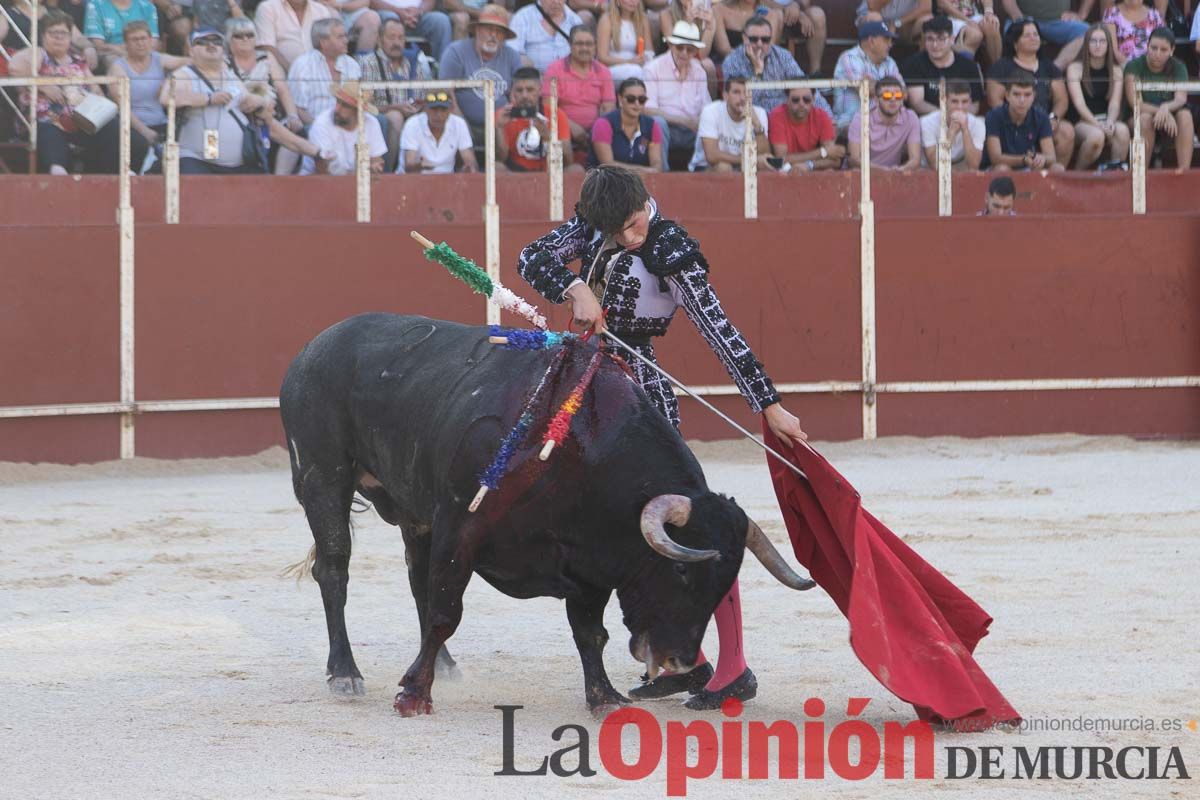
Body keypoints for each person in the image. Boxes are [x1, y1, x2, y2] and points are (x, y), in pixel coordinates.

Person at [516, 164, 808, 710]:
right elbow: (530, 258)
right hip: (587, 381)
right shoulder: (595, 222)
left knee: (687, 522)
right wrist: (577, 287)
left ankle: (734, 665)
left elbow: (721, 331)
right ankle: (681, 660)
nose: (632, 236)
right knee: (618, 527)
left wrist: (768, 405)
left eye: (634, 223)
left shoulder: (671, 249)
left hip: (642, 393)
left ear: (646, 200)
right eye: (619, 231)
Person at [10, 9, 134, 174]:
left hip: (79, 122)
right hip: (44, 121)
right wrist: (44, 85)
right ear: (43, 36)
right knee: (49, 129)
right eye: (53, 33)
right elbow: (14, 67)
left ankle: (118, 172)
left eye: (64, 33)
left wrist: (97, 104)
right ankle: (58, 171)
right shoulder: (38, 54)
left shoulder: (78, 61)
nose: (59, 37)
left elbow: (96, 89)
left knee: (113, 126)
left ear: (70, 37)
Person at [159, 26, 271, 173]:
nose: (211, 45)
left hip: (240, 164)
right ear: (191, 51)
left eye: (216, 41)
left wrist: (258, 102)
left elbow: (254, 104)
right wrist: (208, 98)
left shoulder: (230, 75)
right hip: (197, 161)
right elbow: (166, 97)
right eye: (202, 41)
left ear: (223, 49)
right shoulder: (184, 74)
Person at [986, 18, 1075, 169]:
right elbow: (995, 100)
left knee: (1067, 131)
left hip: (1043, 121)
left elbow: (1061, 100)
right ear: (1015, 43)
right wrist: (1020, 118)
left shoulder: (1049, 66)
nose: (1033, 38)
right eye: (1027, 35)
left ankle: (1053, 178)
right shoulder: (1001, 66)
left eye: (1036, 34)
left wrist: (1053, 118)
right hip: (1011, 122)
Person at [439, 4, 525, 146]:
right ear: (478, 30)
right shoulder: (455, 52)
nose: (493, 35)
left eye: (499, 31)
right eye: (489, 29)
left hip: (502, 123)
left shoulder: (512, 56)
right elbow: (446, 93)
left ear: (504, 37)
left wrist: (504, 119)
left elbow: (518, 93)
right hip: (462, 122)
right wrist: (462, 125)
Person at [357, 16, 433, 169]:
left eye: (401, 38)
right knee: (395, 117)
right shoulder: (369, 63)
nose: (397, 43)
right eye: (391, 37)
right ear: (379, 40)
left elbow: (420, 96)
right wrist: (395, 107)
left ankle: (422, 169)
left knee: (432, 113)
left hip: (410, 114)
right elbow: (364, 105)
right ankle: (387, 171)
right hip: (378, 117)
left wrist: (417, 106)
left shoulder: (412, 63)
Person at [106, 20, 189, 160]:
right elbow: (123, 108)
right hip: (131, 127)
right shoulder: (118, 68)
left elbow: (188, 62)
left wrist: (170, 80)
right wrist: (145, 132)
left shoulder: (158, 59)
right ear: (126, 44)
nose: (140, 43)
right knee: (140, 145)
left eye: (144, 38)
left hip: (161, 123)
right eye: (134, 39)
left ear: (151, 41)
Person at [722, 15, 832, 118]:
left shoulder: (782, 56)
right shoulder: (732, 61)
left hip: (785, 117)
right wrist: (757, 72)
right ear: (745, 38)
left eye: (765, 40)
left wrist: (829, 117)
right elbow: (741, 103)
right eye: (754, 39)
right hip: (752, 118)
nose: (760, 44)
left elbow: (803, 85)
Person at [542, 24, 615, 160]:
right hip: (562, 130)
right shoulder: (554, 70)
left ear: (595, 46)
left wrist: (596, 130)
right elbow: (548, 108)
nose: (584, 48)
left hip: (594, 132)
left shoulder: (603, 71)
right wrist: (570, 126)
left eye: (589, 44)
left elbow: (608, 109)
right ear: (570, 45)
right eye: (579, 44)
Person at [1124, 26, 1191, 172]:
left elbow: (1180, 99)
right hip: (1137, 116)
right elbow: (1135, 104)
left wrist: (1165, 108)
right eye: (1153, 48)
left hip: (1170, 116)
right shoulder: (1133, 66)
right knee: (1145, 119)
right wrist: (1161, 112)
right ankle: (1141, 173)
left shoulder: (1179, 67)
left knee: (1185, 115)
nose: (1157, 54)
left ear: (1172, 51)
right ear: (1147, 46)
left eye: (1164, 50)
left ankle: (1184, 171)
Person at [643, 20, 709, 166]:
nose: (684, 53)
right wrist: (684, 121)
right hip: (667, 127)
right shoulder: (653, 68)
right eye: (680, 48)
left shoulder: (699, 71)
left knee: (711, 124)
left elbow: (707, 108)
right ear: (671, 46)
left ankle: (703, 173)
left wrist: (699, 122)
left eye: (690, 49)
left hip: (692, 129)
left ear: (695, 51)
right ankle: (662, 175)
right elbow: (648, 109)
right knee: (657, 123)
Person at [1066, 23, 1129, 168]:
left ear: (1109, 45)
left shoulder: (1116, 70)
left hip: (1106, 119)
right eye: (1093, 41)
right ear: (1086, 44)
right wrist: (1098, 125)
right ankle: (1078, 175)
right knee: (1096, 136)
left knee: (1123, 131)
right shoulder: (1075, 68)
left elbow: (1114, 103)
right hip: (1082, 121)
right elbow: (1079, 104)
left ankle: (1115, 175)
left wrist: (1110, 122)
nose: (1098, 45)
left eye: (1102, 41)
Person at [497, 65, 577, 170]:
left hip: (549, 172)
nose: (524, 95)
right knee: (497, 167)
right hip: (515, 173)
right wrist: (499, 128)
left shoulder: (556, 114)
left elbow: (568, 161)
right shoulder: (503, 115)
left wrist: (548, 137)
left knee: (575, 169)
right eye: (519, 90)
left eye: (530, 90)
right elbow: (500, 159)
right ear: (513, 92)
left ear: (540, 91)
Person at [900, 15, 984, 116]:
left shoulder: (968, 66)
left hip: (961, 119)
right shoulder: (913, 64)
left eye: (941, 39)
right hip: (927, 120)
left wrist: (957, 117)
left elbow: (974, 105)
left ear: (952, 39)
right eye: (930, 39)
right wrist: (944, 115)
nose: (935, 45)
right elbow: (917, 103)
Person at [689, 75, 774, 172]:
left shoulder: (759, 113)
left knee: (764, 166)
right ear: (725, 96)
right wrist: (747, 160)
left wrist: (757, 125)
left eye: (747, 92)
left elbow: (764, 155)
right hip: (705, 167)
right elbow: (712, 156)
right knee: (724, 168)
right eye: (736, 92)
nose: (742, 98)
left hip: (742, 167)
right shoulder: (711, 111)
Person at [983, 69, 1063, 171]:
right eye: (1016, 94)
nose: (1022, 100)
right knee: (1002, 169)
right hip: (999, 168)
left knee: (1058, 168)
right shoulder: (994, 116)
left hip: (1029, 166)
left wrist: (1042, 159)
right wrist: (1023, 159)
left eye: (1027, 95)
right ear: (1007, 95)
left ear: (1034, 96)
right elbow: (995, 158)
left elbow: (1051, 157)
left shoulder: (1041, 116)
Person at [288, 18, 361, 127]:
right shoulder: (303, 65)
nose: (346, 40)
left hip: (349, 125)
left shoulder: (352, 64)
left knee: (380, 120)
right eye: (340, 37)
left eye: (345, 36)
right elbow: (299, 109)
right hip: (315, 126)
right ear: (324, 42)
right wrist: (322, 129)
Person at [301, 81, 387, 173]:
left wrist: (375, 167)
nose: (337, 109)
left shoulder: (371, 123)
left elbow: (376, 161)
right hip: (316, 182)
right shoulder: (322, 124)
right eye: (338, 102)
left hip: (357, 181)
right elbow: (324, 171)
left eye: (345, 106)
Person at [832, 20, 901, 134]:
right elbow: (865, 90)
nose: (890, 44)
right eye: (886, 39)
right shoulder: (850, 57)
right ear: (871, 41)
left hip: (884, 121)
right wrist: (889, 89)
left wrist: (874, 84)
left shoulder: (890, 62)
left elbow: (903, 92)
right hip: (851, 122)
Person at [590, 76, 665, 171]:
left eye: (641, 99)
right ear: (620, 99)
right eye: (631, 99)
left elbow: (656, 164)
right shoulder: (603, 124)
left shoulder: (652, 125)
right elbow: (607, 164)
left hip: (640, 182)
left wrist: (652, 170)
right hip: (606, 181)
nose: (637, 104)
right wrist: (640, 170)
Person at [848, 75, 921, 170]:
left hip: (894, 174)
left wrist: (901, 169)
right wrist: (883, 171)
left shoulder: (910, 117)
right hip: (864, 174)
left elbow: (915, 159)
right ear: (876, 100)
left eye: (898, 95)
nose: (893, 99)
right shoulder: (861, 119)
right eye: (887, 95)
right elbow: (854, 160)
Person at [768, 85, 844, 172]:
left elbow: (835, 160)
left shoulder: (821, 116)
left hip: (811, 169)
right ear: (787, 100)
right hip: (785, 172)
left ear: (814, 99)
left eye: (806, 99)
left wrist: (809, 165)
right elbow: (780, 160)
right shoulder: (778, 115)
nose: (801, 104)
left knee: (829, 171)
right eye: (795, 100)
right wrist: (822, 152)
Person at [399, 89, 478, 172]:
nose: (438, 115)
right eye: (434, 109)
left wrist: (469, 168)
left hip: (447, 180)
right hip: (414, 180)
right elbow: (409, 166)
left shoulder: (459, 124)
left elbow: (470, 160)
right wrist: (420, 166)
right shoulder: (413, 124)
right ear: (425, 108)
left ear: (451, 109)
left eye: (443, 109)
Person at [999, 0, 1088, 69]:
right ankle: (1022, 76)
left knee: (1087, 32)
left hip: (1059, 22)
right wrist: (1020, 20)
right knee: (1012, 33)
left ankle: (1052, 72)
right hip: (1024, 17)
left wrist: (1082, 14)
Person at [919, 79, 984, 170]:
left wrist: (965, 130)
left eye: (964, 102)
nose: (959, 107)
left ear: (970, 102)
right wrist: (951, 132)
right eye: (954, 101)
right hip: (931, 170)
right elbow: (935, 165)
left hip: (961, 167)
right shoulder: (927, 122)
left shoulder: (978, 124)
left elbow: (973, 165)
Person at [254, 0, 337, 70]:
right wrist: (293, 72)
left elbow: (330, 45)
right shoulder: (268, 8)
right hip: (283, 76)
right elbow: (267, 47)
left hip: (319, 74)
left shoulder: (321, 10)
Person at [510, 0, 583, 72]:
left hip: (567, 78)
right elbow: (513, 52)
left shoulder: (575, 21)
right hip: (534, 79)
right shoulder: (523, 17)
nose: (556, 1)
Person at [84, 0, 159, 66]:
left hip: (143, 52)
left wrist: (127, 49)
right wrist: (121, 50)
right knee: (116, 61)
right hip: (111, 54)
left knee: (166, 62)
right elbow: (98, 45)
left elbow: (152, 43)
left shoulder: (147, 6)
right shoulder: (96, 4)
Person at [596, 0, 653, 84]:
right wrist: (629, 61)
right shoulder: (607, 20)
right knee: (635, 71)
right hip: (612, 68)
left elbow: (649, 51)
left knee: (652, 72)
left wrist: (646, 58)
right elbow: (602, 57)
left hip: (637, 66)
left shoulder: (643, 19)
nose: (633, 1)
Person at [370, 0, 451, 59]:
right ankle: (387, 70)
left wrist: (419, 11)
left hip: (418, 16)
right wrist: (398, 11)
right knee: (392, 21)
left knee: (441, 21)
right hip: (387, 12)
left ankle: (442, 71)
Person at [713, 0, 783, 57]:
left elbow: (767, 50)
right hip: (727, 63)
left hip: (760, 65)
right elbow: (723, 50)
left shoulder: (771, 14)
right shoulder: (719, 9)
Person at [855, 0, 932, 46]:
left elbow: (926, 8)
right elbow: (873, 7)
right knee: (874, 18)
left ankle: (924, 68)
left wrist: (897, 23)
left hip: (905, 22)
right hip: (876, 18)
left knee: (927, 21)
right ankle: (872, 67)